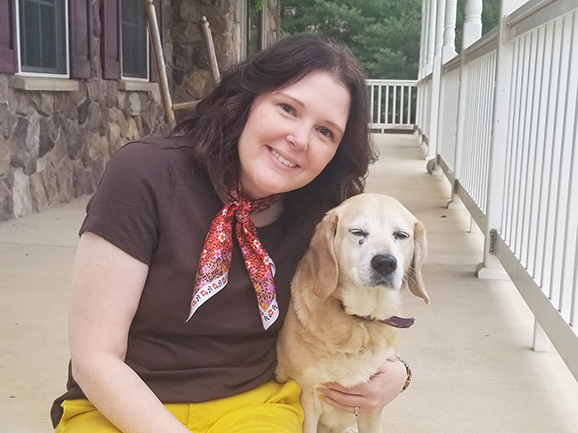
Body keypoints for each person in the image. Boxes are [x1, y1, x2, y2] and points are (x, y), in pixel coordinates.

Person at [51, 34, 410, 433]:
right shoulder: (144, 174)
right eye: (288, 108)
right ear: (247, 99)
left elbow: (360, 303)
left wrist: (398, 371)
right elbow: (95, 357)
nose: (299, 139)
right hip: (120, 407)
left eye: (326, 132)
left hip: (252, 406)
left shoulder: (324, 214)